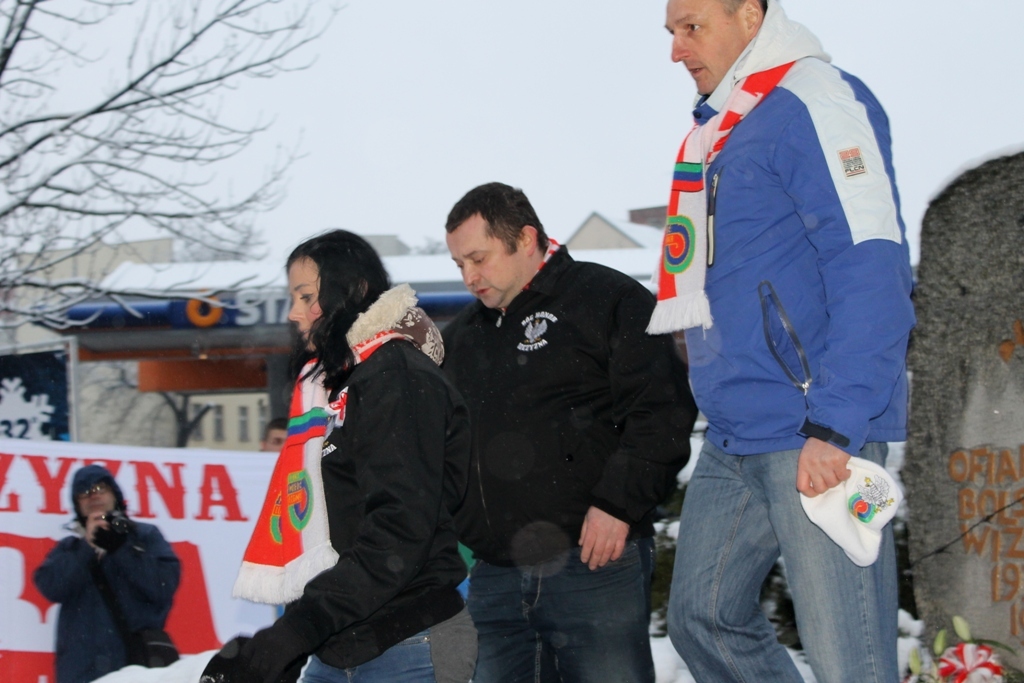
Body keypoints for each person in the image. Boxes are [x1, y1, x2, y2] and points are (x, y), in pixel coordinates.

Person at [654, 1, 915, 681]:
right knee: (703, 618)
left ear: (749, 15)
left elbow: (873, 261)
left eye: (692, 27)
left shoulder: (813, 99)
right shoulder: (726, 125)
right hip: (735, 429)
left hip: (813, 426)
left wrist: (837, 421)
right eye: (671, 31)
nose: (677, 49)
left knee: (850, 662)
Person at [442, 182, 697, 682]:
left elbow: (661, 412)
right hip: (493, 576)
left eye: (478, 258)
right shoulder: (463, 336)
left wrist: (618, 505)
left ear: (525, 238)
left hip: (593, 560)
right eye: (459, 265)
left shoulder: (608, 298)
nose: (470, 276)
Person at [205, 230, 476, 683]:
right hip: (337, 649)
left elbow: (398, 529)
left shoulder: (396, 377)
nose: (293, 313)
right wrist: (279, 652)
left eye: (306, 296)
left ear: (354, 292)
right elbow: (326, 530)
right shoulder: (329, 389)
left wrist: (297, 631)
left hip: (408, 643)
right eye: (292, 297)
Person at [34, 465, 181, 683]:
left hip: (138, 667)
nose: (93, 496)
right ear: (77, 505)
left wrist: (121, 549)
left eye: (100, 489)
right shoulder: (70, 548)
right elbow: (51, 586)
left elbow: (163, 586)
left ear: (115, 494)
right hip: (83, 670)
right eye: (84, 493)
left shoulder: (144, 536)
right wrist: (87, 547)